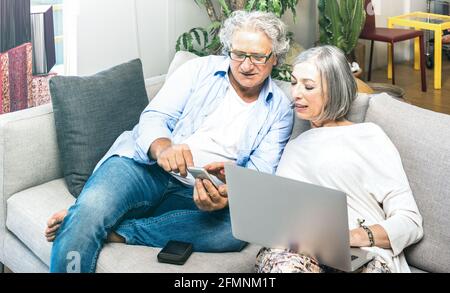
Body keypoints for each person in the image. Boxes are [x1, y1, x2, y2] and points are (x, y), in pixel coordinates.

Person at [45, 10, 294, 273]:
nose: (246, 65)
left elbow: (261, 171)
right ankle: (87, 218)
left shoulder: (279, 109)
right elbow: (155, 116)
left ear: (274, 59)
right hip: (144, 168)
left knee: (235, 231)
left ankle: (117, 231)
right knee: (91, 209)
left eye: (257, 57)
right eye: (239, 54)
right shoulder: (200, 70)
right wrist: (163, 148)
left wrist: (228, 194)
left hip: (196, 193)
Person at [255, 46, 424, 273]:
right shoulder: (294, 147)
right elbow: (283, 217)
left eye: (309, 86)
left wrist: (353, 236)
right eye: (294, 83)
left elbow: (410, 222)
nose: (295, 93)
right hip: (302, 253)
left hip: (362, 255)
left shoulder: (369, 136)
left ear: (334, 90)